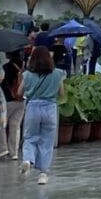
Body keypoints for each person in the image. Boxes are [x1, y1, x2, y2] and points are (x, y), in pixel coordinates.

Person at [16, 45, 65, 184]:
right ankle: (43, 174)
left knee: (30, 138)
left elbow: (20, 92)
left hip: (33, 107)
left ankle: (27, 160)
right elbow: (61, 93)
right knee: (47, 141)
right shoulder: (58, 73)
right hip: (50, 108)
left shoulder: (27, 74)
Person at [0, 46, 26, 161]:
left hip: (8, 99)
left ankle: (2, 149)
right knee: (16, 126)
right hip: (21, 99)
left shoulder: (5, 67)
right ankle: (14, 152)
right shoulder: (24, 66)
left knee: (1, 125)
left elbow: (1, 82)